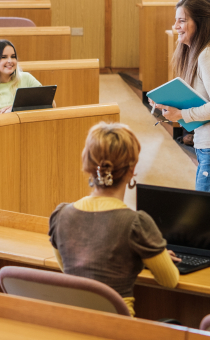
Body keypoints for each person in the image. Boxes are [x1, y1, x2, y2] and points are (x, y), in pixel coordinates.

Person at [48, 122, 180, 317]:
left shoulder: (61, 215)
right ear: (132, 169)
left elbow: (69, 267)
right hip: (119, 330)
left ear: (88, 164)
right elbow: (169, 280)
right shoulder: (137, 224)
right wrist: (143, 257)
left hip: (72, 328)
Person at [149, 0, 210, 244]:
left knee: (207, 235)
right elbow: (205, 103)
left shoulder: (209, 55)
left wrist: (182, 114)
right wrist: (172, 110)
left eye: (182, 21)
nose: (176, 26)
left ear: (200, 23)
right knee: (208, 231)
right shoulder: (207, 51)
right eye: (176, 21)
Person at [0, 39, 53, 117]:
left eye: (13, 56)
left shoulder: (26, 78)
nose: (10, 61)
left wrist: (16, 108)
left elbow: (52, 104)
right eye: (4, 57)